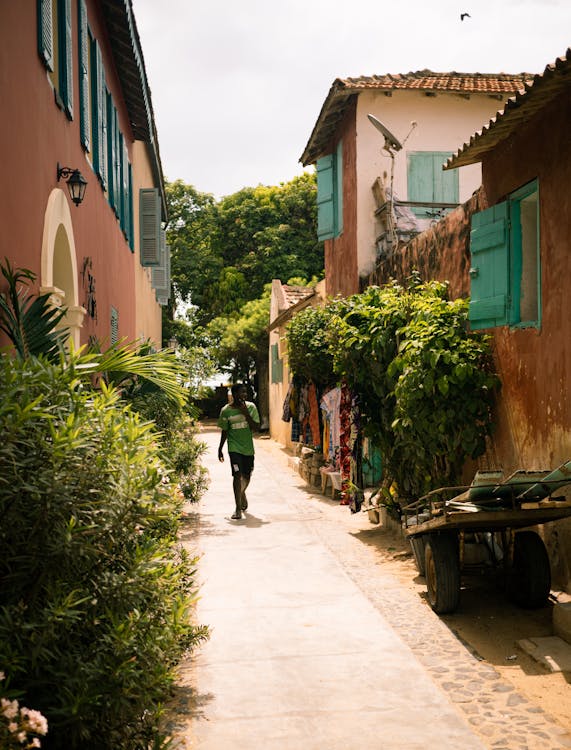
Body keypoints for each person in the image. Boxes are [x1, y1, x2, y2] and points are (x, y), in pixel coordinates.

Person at [217, 383, 260, 520]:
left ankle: (241, 493)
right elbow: (225, 430)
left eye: (245, 393)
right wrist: (220, 449)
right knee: (237, 475)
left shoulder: (251, 407)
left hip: (248, 448)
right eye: (241, 393)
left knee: (247, 476)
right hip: (233, 448)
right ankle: (237, 508)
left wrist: (246, 414)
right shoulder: (226, 410)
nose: (244, 395)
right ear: (234, 394)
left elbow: (256, 428)